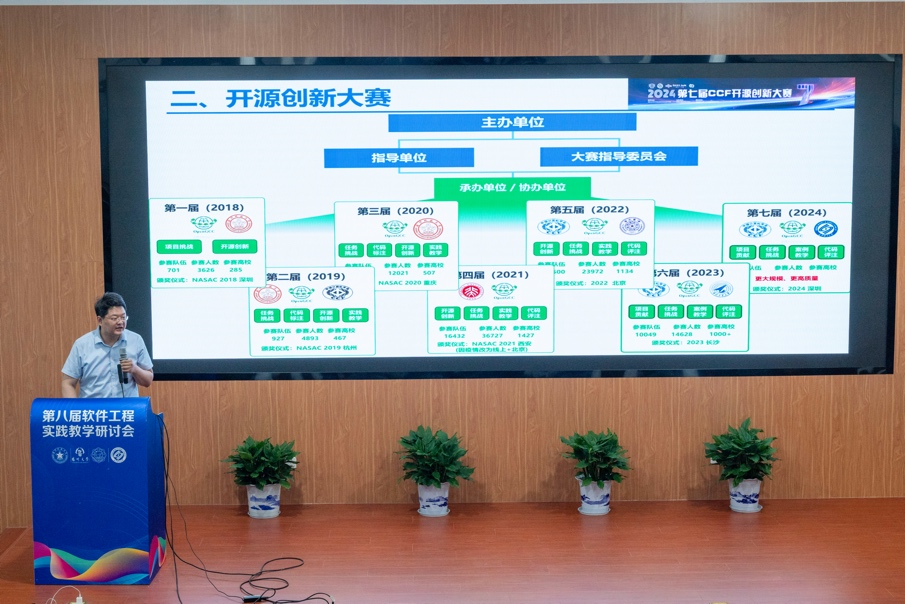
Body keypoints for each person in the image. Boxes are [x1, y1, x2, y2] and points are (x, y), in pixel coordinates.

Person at [62, 292, 154, 398]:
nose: (120, 322)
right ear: (100, 320)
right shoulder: (82, 345)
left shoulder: (136, 340)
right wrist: (74, 407)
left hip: (126, 408)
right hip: (94, 407)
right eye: (114, 318)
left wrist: (135, 369)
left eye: (123, 317)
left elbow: (148, 380)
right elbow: (67, 383)